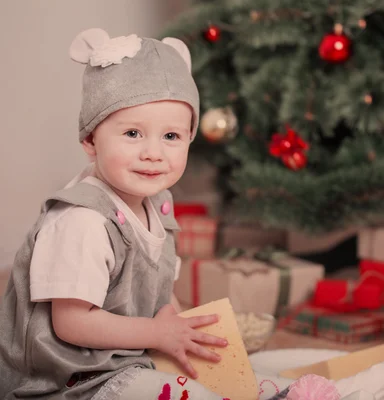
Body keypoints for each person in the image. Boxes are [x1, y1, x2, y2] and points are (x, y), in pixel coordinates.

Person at [0, 28, 240, 400]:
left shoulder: (158, 206)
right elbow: (71, 323)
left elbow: (157, 294)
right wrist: (157, 335)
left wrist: (175, 330)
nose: (153, 153)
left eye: (172, 137)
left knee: (238, 380)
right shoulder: (83, 220)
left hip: (127, 357)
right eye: (132, 133)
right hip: (71, 379)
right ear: (91, 140)